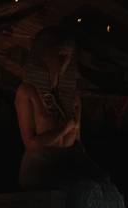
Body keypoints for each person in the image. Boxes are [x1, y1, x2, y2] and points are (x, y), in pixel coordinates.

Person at [16, 27, 108, 190]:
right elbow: (31, 144)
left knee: (103, 185)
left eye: (67, 56)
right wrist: (64, 129)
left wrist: (91, 167)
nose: (63, 61)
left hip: (70, 163)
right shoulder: (26, 92)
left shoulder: (73, 97)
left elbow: (77, 141)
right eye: (58, 54)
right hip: (41, 168)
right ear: (43, 54)